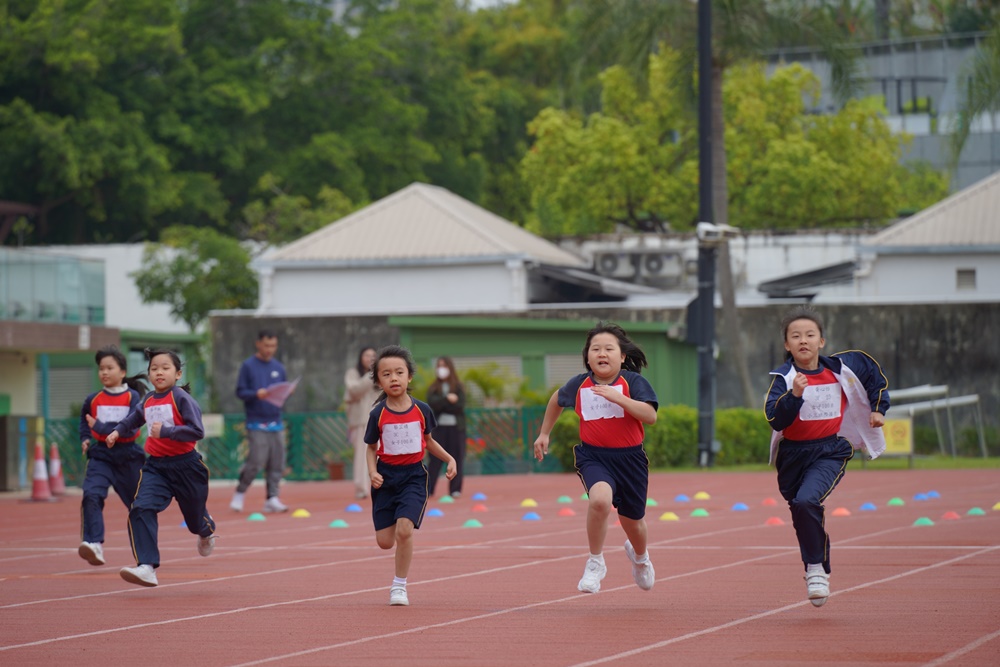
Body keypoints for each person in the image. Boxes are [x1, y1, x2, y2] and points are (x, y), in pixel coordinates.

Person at [764, 306, 889, 608]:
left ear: (821, 341)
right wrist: (794, 396)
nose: (803, 340)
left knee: (807, 501)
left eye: (810, 335)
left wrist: (878, 409)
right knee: (800, 507)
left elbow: (873, 375)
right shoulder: (784, 378)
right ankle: (815, 562)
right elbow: (775, 418)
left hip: (829, 451)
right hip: (793, 456)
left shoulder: (842, 368)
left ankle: (816, 569)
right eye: (796, 336)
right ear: (787, 345)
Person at [533, 321, 659, 594]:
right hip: (594, 457)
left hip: (630, 460)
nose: (602, 353)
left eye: (609, 349)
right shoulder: (579, 384)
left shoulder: (633, 382)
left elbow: (650, 416)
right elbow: (556, 400)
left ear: (622, 356)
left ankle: (640, 558)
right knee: (600, 501)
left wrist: (618, 398)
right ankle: (595, 561)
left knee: (633, 523)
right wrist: (544, 433)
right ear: (587, 357)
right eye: (596, 349)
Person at [106, 348, 216, 587]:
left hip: (187, 466)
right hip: (156, 467)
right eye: (154, 369)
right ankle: (146, 566)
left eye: (165, 368)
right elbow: (134, 419)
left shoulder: (182, 399)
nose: (159, 372)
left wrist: (167, 431)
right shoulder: (147, 400)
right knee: (141, 508)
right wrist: (117, 431)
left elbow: (197, 431)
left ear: (178, 374)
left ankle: (206, 530)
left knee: (194, 521)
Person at [364, 345, 457, 606]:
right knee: (385, 542)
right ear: (379, 381)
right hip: (385, 477)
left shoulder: (422, 410)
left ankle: (399, 586)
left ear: (409, 377)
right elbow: (370, 448)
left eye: (399, 372)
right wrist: (372, 472)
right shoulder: (377, 414)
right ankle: (396, 518)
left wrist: (449, 459)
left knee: (404, 530)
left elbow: (429, 442)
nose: (393, 378)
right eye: (386, 374)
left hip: (414, 476)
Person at [76, 346, 148, 567]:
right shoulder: (93, 399)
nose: (104, 372)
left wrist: (99, 426)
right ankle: (93, 542)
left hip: (128, 456)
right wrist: (85, 437)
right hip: (101, 455)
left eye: (110, 368)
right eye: (101, 368)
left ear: (122, 372)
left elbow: (129, 427)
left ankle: (146, 554)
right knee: (91, 494)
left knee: (139, 505)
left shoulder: (132, 397)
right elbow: (84, 419)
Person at [230, 329, 292, 514]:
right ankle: (240, 492)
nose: (269, 349)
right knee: (256, 461)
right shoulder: (248, 366)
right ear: (258, 344)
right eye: (266, 345)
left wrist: (287, 391)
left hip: (276, 421)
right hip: (256, 421)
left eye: (273, 346)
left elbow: (282, 391)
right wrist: (257, 394)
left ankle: (272, 497)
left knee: (277, 462)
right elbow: (240, 391)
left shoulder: (279, 367)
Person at [425, 356, 467, 498]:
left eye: (444, 365)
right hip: (439, 428)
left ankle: (455, 489)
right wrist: (447, 400)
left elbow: (460, 406)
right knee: (435, 459)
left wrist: (443, 406)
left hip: (456, 428)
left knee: (456, 458)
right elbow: (433, 404)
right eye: (439, 366)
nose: (441, 369)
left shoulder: (458, 387)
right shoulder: (433, 388)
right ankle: (429, 489)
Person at [343, 346, 379, 499]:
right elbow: (354, 390)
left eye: (373, 355)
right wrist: (371, 374)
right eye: (367, 355)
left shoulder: (380, 373)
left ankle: (380, 486)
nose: (370, 358)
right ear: (360, 357)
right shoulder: (353, 373)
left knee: (381, 454)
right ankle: (362, 488)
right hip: (361, 421)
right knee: (362, 455)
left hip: (378, 419)